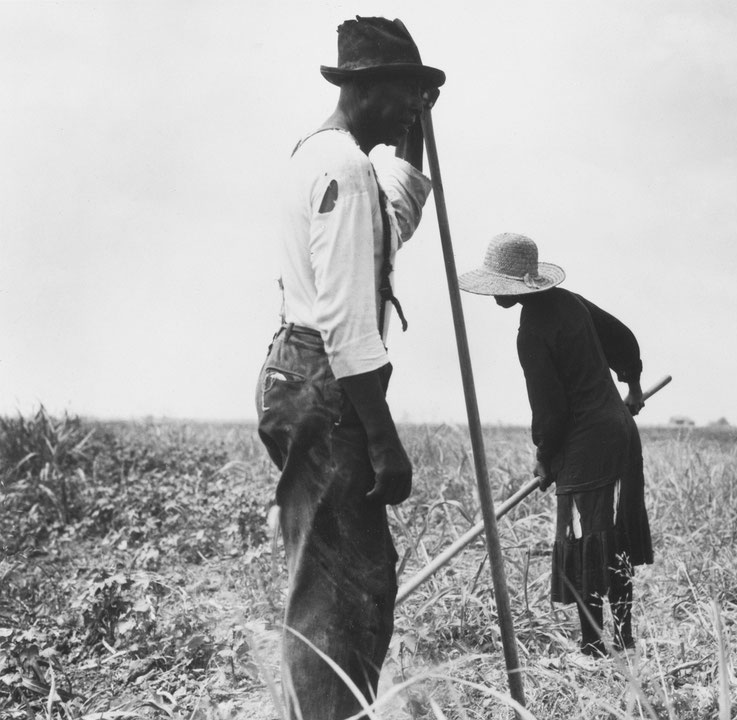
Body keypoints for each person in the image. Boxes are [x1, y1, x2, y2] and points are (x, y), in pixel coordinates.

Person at [254, 17, 444, 719]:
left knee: (346, 577)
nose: (408, 110)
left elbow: (399, 205)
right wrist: (384, 440)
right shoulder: (344, 169)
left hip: (297, 374)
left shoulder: (323, 155)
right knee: (341, 589)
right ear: (365, 89)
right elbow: (344, 322)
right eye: (403, 94)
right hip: (327, 381)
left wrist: (418, 128)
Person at [458, 233, 654, 657]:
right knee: (612, 537)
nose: (495, 297)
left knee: (586, 539)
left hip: (589, 444)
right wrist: (633, 386)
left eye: (501, 288)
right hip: (620, 433)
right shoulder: (571, 302)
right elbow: (623, 338)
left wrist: (545, 457)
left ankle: (593, 647)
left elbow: (550, 411)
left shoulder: (531, 334)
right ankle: (622, 639)